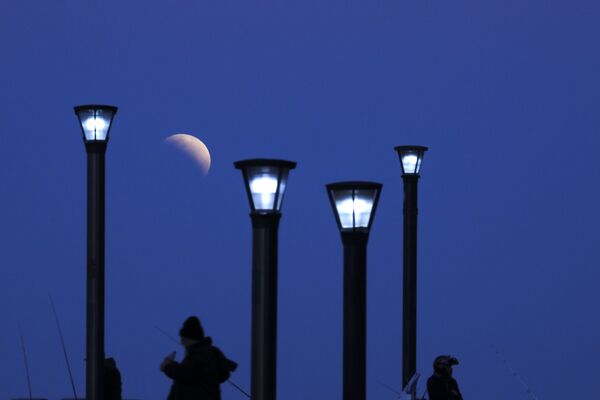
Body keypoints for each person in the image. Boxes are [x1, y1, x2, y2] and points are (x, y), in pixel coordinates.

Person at [160, 316, 238, 400]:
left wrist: (167, 365)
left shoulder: (200, 354)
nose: (181, 342)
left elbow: (185, 373)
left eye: (183, 338)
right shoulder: (206, 353)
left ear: (191, 338)